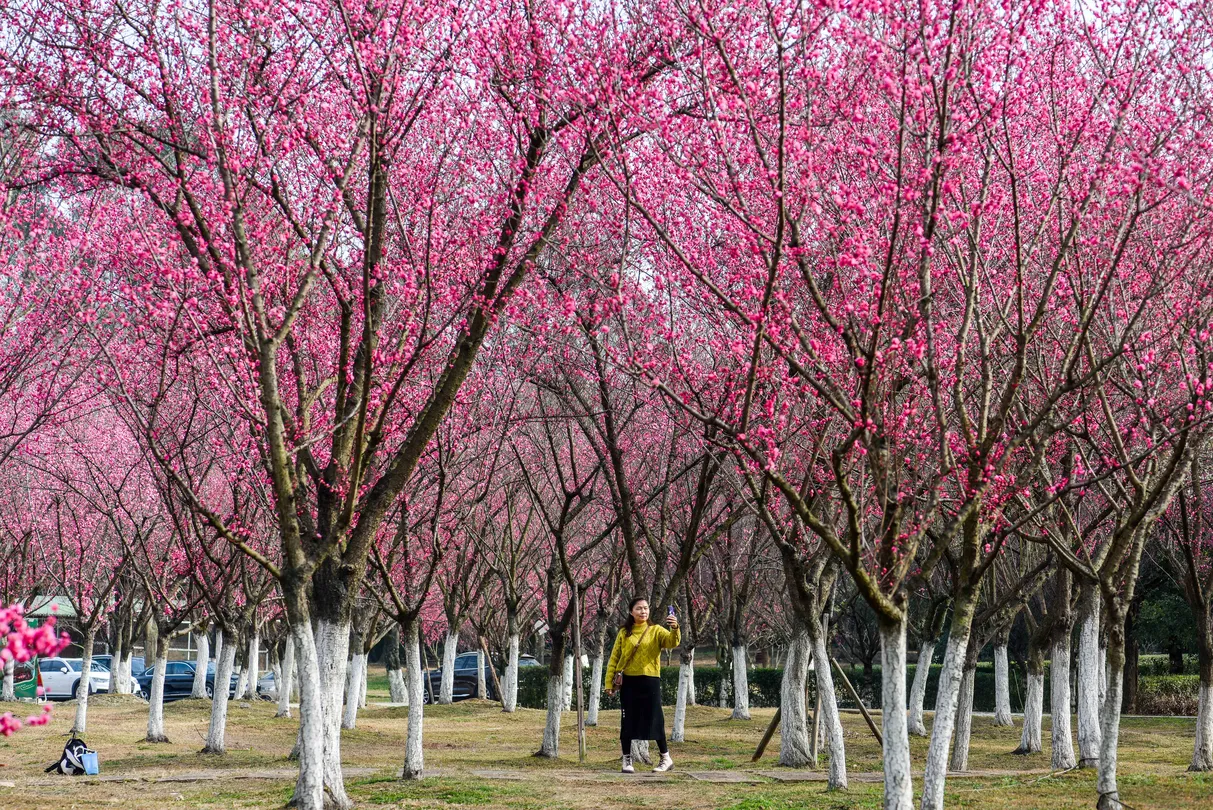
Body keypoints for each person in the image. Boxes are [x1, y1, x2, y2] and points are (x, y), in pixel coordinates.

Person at [604, 597, 681, 773]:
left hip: (650, 680)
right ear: (631, 611)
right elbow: (615, 658)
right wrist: (609, 683)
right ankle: (627, 760)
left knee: (655, 719)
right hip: (629, 682)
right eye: (639, 608)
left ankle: (666, 758)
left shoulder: (655, 630)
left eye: (646, 608)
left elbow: (672, 642)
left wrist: (675, 627)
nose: (643, 611)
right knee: (627, 721)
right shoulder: (624, 632)